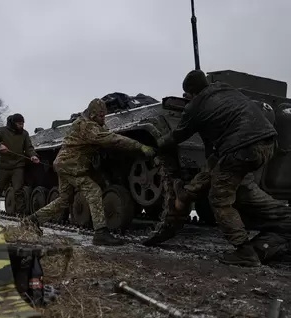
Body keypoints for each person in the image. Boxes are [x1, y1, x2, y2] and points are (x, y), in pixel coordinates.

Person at [155, 69, 278, 266]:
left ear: (192, 92)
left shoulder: (195, 106)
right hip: (266, 142)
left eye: (187, 94)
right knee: (222, 172)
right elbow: (211, 152)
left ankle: (244, 252)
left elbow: (178, 135)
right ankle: (186, 195)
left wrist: (156, 144)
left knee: (219, 199)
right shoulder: (224, 89)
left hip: (241, 147)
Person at [21, 98, 156, 246]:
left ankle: (32, 221)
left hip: (65, 164)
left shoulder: (89, 123)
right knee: (94, 191)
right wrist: (139, 146)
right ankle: (100, 233)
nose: (103, 117)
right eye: (100, 115)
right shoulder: (87, 126)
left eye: (104, 114)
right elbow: (111, 139)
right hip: (71, 165)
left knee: (65, 200)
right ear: (92, 114)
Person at [0, 113, 39, 220]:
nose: (22, 126)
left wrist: (33, 155)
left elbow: (29, 147)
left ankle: (22, 218)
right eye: (19, 124)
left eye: (23, 124)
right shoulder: (1, 131)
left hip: (18, 167)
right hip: (3, 167)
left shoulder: (24, 134)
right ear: (13, 123)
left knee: (18, 191)